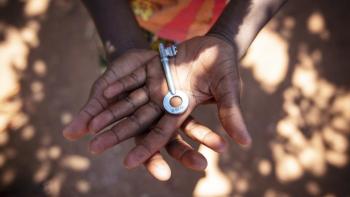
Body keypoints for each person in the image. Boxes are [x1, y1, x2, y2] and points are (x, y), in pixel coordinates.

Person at [63, 0, 287, 181]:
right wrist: (124, 45)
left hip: (216, 23)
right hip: (127, 21)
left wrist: (226, 35)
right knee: (120, 80)